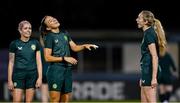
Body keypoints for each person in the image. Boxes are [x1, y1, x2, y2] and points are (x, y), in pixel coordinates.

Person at [39, 15, 98, 102]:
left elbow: (74, 47)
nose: (54, 19)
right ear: (48, 28)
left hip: (67, 70)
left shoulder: (65, 33)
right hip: (55, 71)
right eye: (50, 21)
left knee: (66, 100)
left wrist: (84, 46)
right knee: (55, 100)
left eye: (53, 18)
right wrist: (64, 58)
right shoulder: (49, 37)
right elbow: (47, 57)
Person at [136, 10, 167, 102]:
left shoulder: (149, 34)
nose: (137, 20)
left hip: (149, 71)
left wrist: (153, 78)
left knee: (151, 100)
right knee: (144, 100)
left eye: (139, 18)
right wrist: (143, 76)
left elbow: (155, 56)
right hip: (146, 71)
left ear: (145, 22)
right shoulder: (148, 33)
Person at [7, 20, 42, 102]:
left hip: (32, 76)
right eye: (25, 28)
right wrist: (9, 80)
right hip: (18, 76)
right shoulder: (14, 44)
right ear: (20, 30)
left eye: (30, 28)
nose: (28, 30)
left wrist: (39, 78)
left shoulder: (35, 43)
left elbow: (39, 62)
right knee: (16, 101)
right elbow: (11, 63)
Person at [39, 37, 50, 103]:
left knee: (44, 95)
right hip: (52, 73)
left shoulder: (39, 49)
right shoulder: (52, 48)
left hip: (43, 73)